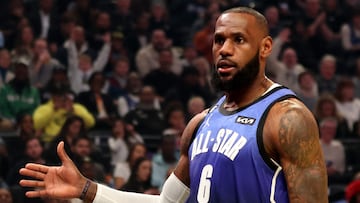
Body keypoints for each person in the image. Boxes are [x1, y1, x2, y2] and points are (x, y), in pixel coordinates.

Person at [19, 7, 328, 202]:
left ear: (265, 48)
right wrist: (87, 190)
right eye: (219, 40)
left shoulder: (287, 118)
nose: (225, 50)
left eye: (238, 40)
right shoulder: (200, 123)